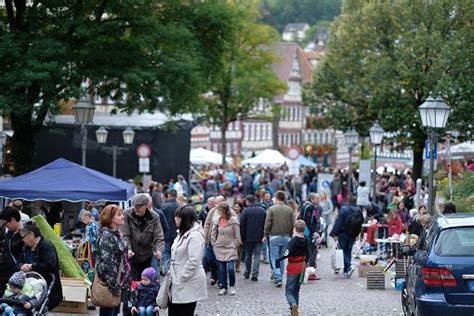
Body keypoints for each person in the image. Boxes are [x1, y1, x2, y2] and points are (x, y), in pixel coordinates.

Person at [169, 205, 207, 315]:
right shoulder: (182, 232)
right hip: (178, 281)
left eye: (178, 217)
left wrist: (182, 276)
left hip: (187, 282)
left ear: (184, 219)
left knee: (185, 311)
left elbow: (194, 260)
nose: (175, 219)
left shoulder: (195, 235)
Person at [16, 221, 63, 310]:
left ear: (31, 235)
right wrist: (21, 266)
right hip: (28, 289)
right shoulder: (25, 248)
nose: (22, 240)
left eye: (23, 237)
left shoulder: (47, 246)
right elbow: (18, 264)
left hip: (44, 288)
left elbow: (51, 265)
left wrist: (32, 266)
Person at [95, 205, 130, 316]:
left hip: (117, 284)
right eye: (119, 215)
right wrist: (115, 287)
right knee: (108, 312)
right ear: (110, 218)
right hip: (110, 286)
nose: (123, 217)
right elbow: (106, 265)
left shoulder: (115, 234)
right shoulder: (107, 236)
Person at [275, 220, 309, 316]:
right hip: (302, 266)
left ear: (295, 228)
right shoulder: (306, 240)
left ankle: (293, 305)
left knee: (289, 291)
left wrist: (278, 260)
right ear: (304, 229)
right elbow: (308, 253)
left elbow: (287, 253)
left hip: (293, 266)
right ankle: (295, 310)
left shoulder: (293, 241)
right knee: (296, 290)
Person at [264, 191, 295, 287]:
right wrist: (290, 235)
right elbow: (292, 224)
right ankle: (280, 276)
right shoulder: (289, 210)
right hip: (286, 236)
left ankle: (278, 277)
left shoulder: (272, 209)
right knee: (281, 258)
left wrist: (266, 233)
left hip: (274, 236)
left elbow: (268, 223)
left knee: (274, 257)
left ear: (277, 198)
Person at [329, 196, 363, 278]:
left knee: (341, 250)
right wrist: (358, 234)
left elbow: (338, 222)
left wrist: (334, 233)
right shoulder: (359, 210)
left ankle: (349, 266)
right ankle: (346, 271)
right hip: (353, 234)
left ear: (348, 200)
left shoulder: (344, 209)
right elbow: (360, 223)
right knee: (348, 250)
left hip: (343, 233)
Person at [211, 203, 241, 296]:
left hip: (230, 247)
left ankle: (232, 286)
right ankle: (224, 287)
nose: (219, 213)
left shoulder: (233, 221)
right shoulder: (217, 220)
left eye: (220, 211)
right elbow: (213, 233)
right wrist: (214, 243)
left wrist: (235, 244)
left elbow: (237, 235)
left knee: (231, 268)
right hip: (219, 247)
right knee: (222, 269)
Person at [239, 195, 266, 281]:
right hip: (259, 237)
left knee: (248, 255)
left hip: (248, 237)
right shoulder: (262, 210)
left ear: (247, 201)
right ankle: (255, 274)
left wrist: (242, 238)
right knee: (257, 255)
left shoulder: (245, 211)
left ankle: (247, 272)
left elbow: (242, 225)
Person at [203, 194, 228, 285]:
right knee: (209, 259)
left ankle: (221, 280)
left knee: (221, 261)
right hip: (211, 240)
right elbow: (207, 224)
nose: (216, 205)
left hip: (222, 241)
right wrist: (205, 237)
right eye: (215, 203)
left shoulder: (228, 212)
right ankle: (215, 275)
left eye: (218, 203)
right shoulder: (212, 211)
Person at [0, 207, 24, 297]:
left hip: (15, 274)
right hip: (4, 271)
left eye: (5, 223)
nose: (5, 226)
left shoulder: (24, 234)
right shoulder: (10, 233)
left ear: (13, 220)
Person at [298, 193, 321, 272]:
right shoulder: (310, 207)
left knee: (308, 252)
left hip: (306, 232)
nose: (318, 200)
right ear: (312, 199)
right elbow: (308, 221)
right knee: (310, 252)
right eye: (316, 198)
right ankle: (308, 271)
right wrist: (313, 232)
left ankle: (306, 270)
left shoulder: (306, 206)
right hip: (308, 233)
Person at [161, 189, 180, 273]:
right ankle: (174, 269)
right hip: (177, 232)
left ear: (168, 195)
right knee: (175, 252)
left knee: (166, 252)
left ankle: (167, 269)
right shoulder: (179, 206)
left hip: (166, 232)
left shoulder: (164, 206)